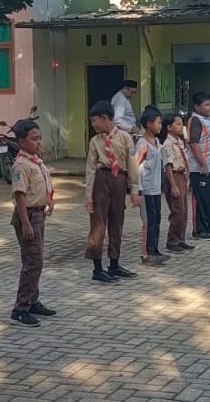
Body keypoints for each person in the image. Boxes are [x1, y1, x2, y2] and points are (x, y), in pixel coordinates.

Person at [84, 100, 141, 283]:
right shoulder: (95, 142)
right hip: (101, 180)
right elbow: (90, 169)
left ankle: (114, 264)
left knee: (117, 221)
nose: (93, 125)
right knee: (98, 223)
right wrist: (88, 195)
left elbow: (132, 163)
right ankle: (97, 268)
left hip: (119, 180)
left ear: (104, 118)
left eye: (94, 121)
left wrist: (134, 188)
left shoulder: (125, 138)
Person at [9, 119, 56, 328]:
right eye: (34, 139)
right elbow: (19, 195)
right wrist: (26, 223)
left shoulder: (35, 161)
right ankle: (20, 309)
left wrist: (49, 201)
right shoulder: (21, 165)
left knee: (35, 258)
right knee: (33, 262)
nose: (39, 143)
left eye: (39, 138)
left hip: (38, 214)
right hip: (27, 215)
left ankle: (32, 301)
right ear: (21, 142)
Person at [187, 92, 210, 240]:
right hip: (201, 169)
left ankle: (209, 226)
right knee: (201, 200)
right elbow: (194, 143)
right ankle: (199, 229)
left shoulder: (208, 120)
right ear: (197, 107)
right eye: (206, 105)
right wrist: (202, 163)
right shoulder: (196, 120)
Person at [135, 105, 167, 265]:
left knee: (156, 220)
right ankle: (147, 253)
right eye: (158, 123)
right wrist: (138, 189)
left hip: (156, 189)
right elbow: (135, 166)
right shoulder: (142, 144)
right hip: (146, 189)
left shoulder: (157, 142)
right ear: (149, 124)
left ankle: (155, 249)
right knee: (149, 222)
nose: (160, 126)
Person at [160, 113, 195, 254]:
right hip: (173, 176)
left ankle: (181, 239)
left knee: (184, 210)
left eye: (182, 124)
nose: (181, 127)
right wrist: (173, 185)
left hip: (182, 176)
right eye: (178, 124)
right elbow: (168, 166)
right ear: (169, 127)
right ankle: (172, 241)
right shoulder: (167, 144)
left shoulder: (179, 141)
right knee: (177, 211)